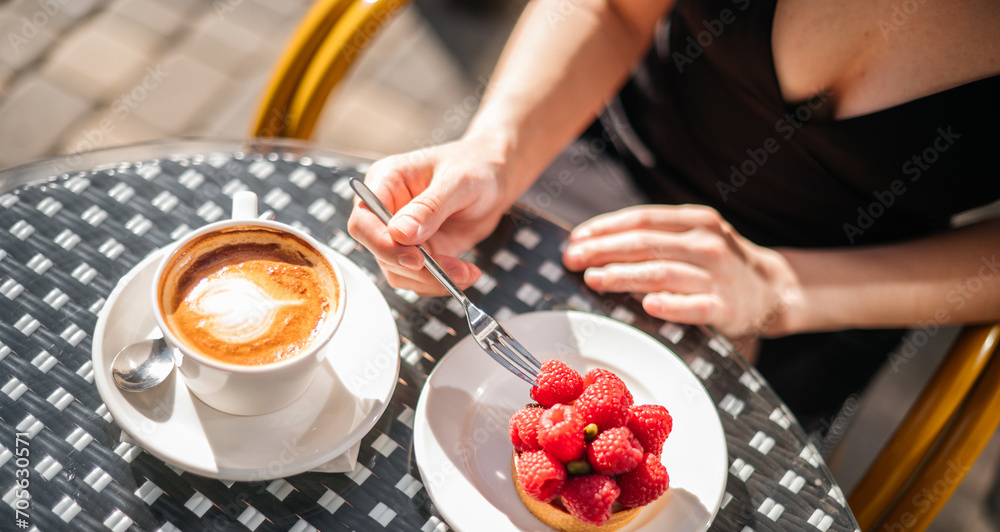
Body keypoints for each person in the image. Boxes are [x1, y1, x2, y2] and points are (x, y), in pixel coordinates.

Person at [347, 0, 1000, 434]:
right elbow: (612, 10)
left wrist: (780, 290)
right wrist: (499, 149)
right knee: (386, 392)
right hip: (586, 165)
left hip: (826, 296)